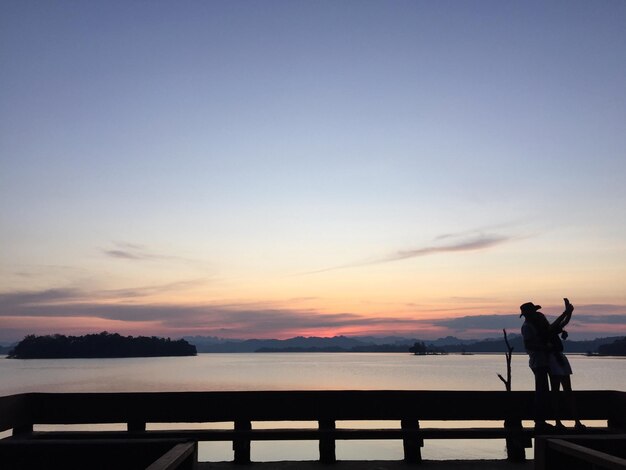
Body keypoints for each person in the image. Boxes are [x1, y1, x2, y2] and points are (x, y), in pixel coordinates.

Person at [547, 298, 586, 430]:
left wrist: (569, 312)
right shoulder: (545, 331)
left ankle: (576, 421)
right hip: (554, 360)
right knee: (556, 392)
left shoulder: (549, 329)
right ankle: (559, 421)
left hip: (559, 359)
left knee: (567, 392)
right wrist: (566, 311)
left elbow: (564, 322)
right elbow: (558, 324)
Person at [520, 301, 553, 432]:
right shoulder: (527, 326)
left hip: (542, 361)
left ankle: (541, 420)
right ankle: (539, 421)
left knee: (543, 391)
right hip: (538, 362)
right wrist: (545, 347)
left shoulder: (534, 325)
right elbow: (528, 345)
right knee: (541, 391)